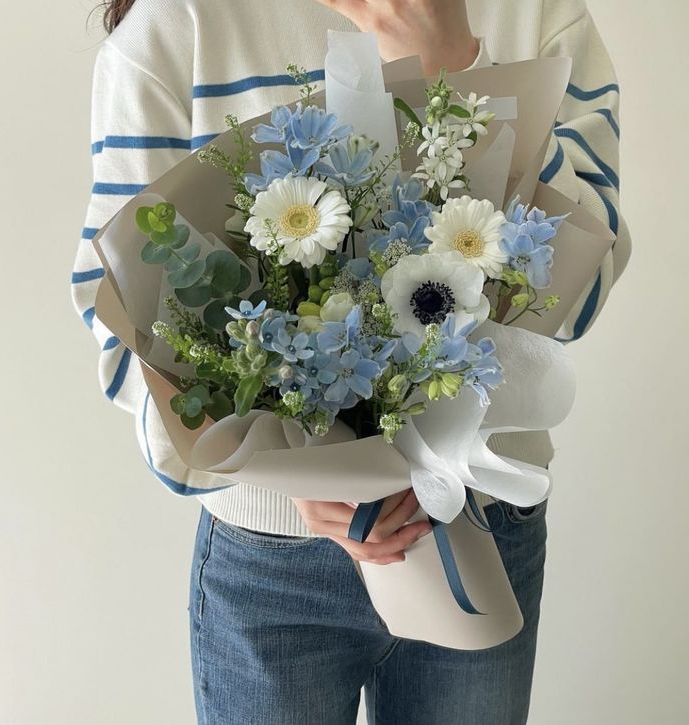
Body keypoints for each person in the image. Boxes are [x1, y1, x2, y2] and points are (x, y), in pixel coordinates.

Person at [71, 1, 631, 722]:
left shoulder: (534, 12)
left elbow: (583, 291)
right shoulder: (179, 26)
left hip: (478, 531)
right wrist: (287, 465)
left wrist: (460, 69)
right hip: (272, 560)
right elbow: (122, 325)